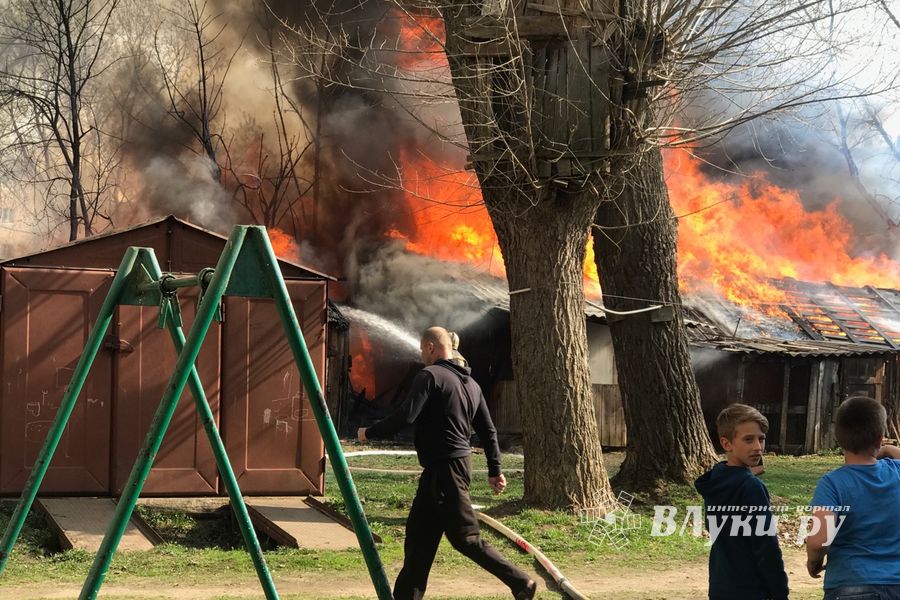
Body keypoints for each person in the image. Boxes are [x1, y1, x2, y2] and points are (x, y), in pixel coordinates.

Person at [358, 326, 535, 600]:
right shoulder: (471, 385)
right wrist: (494, 469)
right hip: (442, 470)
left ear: (430, 347)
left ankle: (521, 582)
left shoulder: (429, 376)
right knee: (418, 539)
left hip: (446, 470)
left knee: (466, 538)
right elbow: (488, 431)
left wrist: (368, 432)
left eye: (421, 349)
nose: (420, 354)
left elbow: (406, 416)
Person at [806, 396, 900, 600]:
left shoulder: (832, 483)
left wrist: (813, 561)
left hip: (851, 584)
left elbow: (818, 541)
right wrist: (884, 449)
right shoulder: (897, 471)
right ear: (880, 438)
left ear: (838, 437)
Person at [695, 403, 789, 600]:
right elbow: (766, 547)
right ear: (726, 443)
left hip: (722, 585)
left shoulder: (716, 481)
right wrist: (780, 592)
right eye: (748, 440)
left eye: (761, 439)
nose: (758, 447)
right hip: (751, 589)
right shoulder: (750, 487)